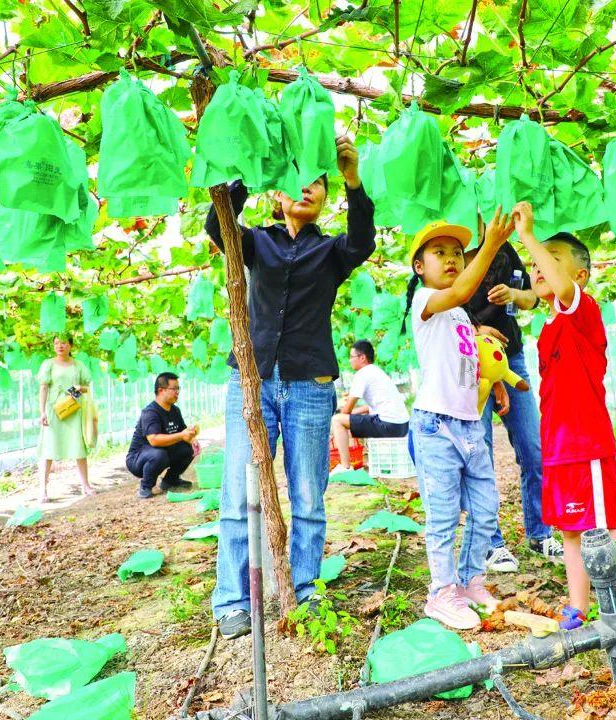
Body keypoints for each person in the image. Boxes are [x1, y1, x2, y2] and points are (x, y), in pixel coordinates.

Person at [206, 134, 376, 639]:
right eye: (294, 181)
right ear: (277, 193)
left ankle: (303, 592)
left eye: (317, 182)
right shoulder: (256, 241)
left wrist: (353, 180)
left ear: (325, 195)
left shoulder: (332, 252)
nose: (306, 187)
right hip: (252, 382)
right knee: (239, 494)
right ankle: (233, 601)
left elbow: (363, 240)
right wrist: (253, 172)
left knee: (308, 496)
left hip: (309, 384)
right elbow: (218, 226)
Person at [511, 203, 616, 654]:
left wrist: (530, 236)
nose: (539, 265)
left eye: (551, 260)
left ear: (580, 276)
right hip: (559, 450)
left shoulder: (582, 312)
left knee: (606, 533)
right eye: (536, 262)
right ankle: (578, 609)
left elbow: (561, 287)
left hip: (585, 447)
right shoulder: (550, 324)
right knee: (571, 534)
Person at [406, 211, 515, 631]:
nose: (451, 259)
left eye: (456, 252)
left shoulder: (461, 317)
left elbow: (469, 363)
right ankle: (441, 592)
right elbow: (464, 288)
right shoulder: (427, 302)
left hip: (471, 424)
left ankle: (470, 582)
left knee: (486, 511)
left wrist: (496, 384)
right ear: (420, 267)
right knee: (444, 515)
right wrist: (490, 244)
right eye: (439, 253)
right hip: (437, 427)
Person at [465, 233, 563, 573]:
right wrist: (477, 331)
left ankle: (540, 533)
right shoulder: (453, 254)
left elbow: (533, 297)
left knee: (534, 448)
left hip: (511, 359)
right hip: (470, 365)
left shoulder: (504, 249)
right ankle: (491, 544)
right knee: (480, 455)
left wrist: (513, 294)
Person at [330, 340, 409, 474]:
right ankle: (363, 460)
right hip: (401, 426)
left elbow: (347, 410)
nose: (350, 360)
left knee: (337, 420)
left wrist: (343, 416)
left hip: (388, 426)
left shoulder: (362, 374)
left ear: (362, 357)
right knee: (349, 421)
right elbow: (369, 407)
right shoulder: (376, 371)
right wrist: (352, 415)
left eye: (352, 357)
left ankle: (345, 467)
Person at [37, 335, 94, 503]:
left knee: (78, 445)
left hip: (72, 408)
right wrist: (42, 412)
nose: (59, 346)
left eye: (63, 343)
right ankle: (43, 490)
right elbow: (43, 388)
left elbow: (86, 387)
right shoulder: (48, 364)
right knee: (48, 448)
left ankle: (86, 485)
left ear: (70, 345)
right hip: (54, 409)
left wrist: (76, 389)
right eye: (56, 343)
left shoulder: (78, 365)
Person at [126, 372, 200, 499]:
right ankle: (146, 486)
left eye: (178, 388)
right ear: (161, 390)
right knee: (158, 454)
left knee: (187, 449)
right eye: (174, 389)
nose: (177, 392)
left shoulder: (175, 410)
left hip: (162, 452)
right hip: (138, 459)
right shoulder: (150, 412)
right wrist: (182, 435)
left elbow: (182, 432)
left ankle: (170, 480)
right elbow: (154, 440)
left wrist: (192, 439)